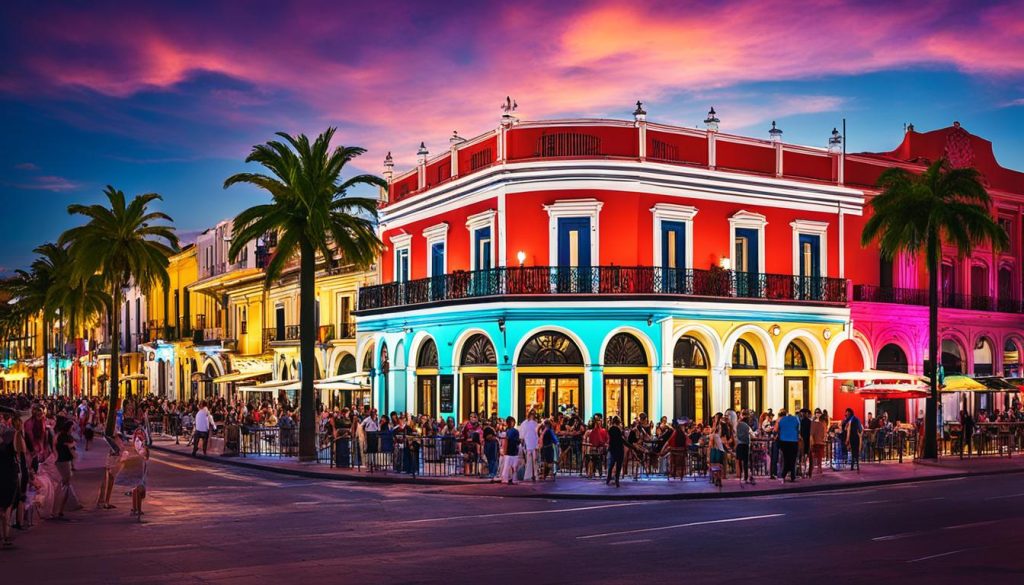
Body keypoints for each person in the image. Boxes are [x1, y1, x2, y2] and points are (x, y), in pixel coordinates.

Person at [53, 419, 77, 520]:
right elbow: (73, 452)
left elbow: (54, 446)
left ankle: (58, 509)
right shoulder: (68, 438)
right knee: (65, 485)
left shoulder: (58, 436)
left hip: (58, 461)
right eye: (72, 428)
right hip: (65, 462)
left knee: (62, 485)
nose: (73, 429)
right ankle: (59, 510)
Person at [0, 422, 18, 548]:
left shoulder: (7, 445)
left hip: (7, 478)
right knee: (5, 509)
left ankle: (4, 537)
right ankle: (4, 537)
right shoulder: (8, 446)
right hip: (7, 478)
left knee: (4, 509)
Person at [777, 408, 800, 482]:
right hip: (793, 441)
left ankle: (784, 474)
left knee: (786, 458)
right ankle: (792, 475)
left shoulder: (782, 420)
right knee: (793, 459)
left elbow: (778, 430)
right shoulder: (795, 419)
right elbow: (798, 429)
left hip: (784, 441)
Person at [499, 417, 521, 485]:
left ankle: (506, 479)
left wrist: (504, 450)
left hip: (510, 451)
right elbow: (509, 441)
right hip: (512, 451)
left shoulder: (507, 431)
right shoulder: (513, 431)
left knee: (507, 466)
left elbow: (506, 441)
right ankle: (512, 479)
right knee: (513, 467)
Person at [519, 411, 539, 482]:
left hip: (530, 444)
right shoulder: (532, 424)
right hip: (530, 444)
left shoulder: (527, 424)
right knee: (532, 460)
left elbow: (522, 436)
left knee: (532, 460)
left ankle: (531, 475)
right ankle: (532, 475)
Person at [735, 410, 754, 484]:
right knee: (745, 462)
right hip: (745, 445)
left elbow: (736, 433)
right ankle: (746, 477)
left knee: (739, 460)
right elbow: (752, 435)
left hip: (739, 444)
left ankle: (740, 475)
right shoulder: (747, 426)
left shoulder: (738, 425)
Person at [606, 416, 625, 487]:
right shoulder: (618, 429)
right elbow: (621, 439)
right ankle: (617, 479)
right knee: (618, 465)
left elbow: (610, 439)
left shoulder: (610, 428)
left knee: (611, 464)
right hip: (619, 448)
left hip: (613, 448)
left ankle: (609, 477)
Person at [810, 411, 827, 476]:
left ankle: (813, 469)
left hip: (816, 442)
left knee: (814, 456)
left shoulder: (814, 424)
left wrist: (812, 442)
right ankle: (819, 469)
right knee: (819, 457)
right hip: (821, 442)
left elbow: (811, 434)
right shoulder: (823, 424)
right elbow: (825, 434)